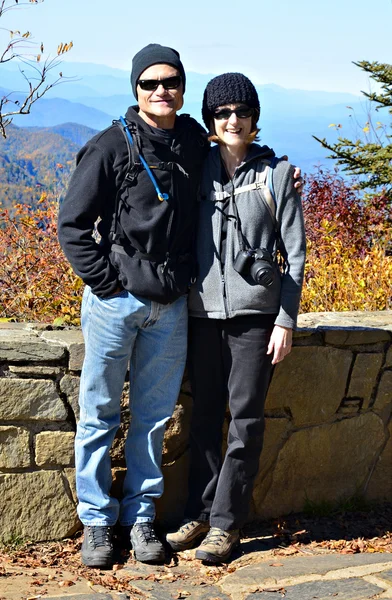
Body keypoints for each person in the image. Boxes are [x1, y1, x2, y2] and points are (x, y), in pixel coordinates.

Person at [58, 43, 209, 567]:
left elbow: (232, 167)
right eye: (149, 83)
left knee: (151, 417)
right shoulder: (109, 147)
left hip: (170, 304)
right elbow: (72, 226)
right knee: (99, 413)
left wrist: (281, 176)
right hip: (117, 301)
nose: (161, 91)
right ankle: (97, 523)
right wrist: (106, 284)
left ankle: (139, 517)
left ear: (183, 87)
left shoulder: (192, 140)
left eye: (170, 81)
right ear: (135, 90)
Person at [166, 73, 306, 564]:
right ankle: (198, 514)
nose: (232, 120)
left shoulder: (275, 176)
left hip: (254, 319)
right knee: (204, 418)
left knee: (244, 421)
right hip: (201, 313)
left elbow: (296, 254)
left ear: (254, 118)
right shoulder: (196, 167)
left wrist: (285, 320)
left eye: (241, 112)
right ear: (210, 121)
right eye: (222, 113)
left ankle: (226, 526)